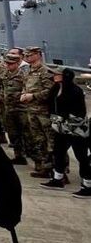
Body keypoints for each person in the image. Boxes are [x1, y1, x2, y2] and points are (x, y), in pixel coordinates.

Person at [40, 67, 91, 198]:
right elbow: (51, 104)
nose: (54, 76)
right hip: (61, 128)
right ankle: (58, 179)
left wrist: (63, 120)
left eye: (57, 74)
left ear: (65, 76)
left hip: (76, 129)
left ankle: (87, 184)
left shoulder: (75, 91)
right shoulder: (56, 88)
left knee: (81, 156)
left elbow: (79, 112)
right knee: (59, 152)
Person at [20, 46, 55, 178]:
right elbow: (25, 85)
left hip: (43, 112)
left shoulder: (45, 71)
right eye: (26, 55)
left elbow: (50, 91)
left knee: (51, 142)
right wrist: (23, 94)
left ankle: (60, 171)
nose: (27, 57)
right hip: (31, 110)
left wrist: (33, 96)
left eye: (30, 55)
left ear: (38, 55)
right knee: (39, 140)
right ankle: (45, 168)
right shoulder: (28, 70)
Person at [1, 54, 28, 164]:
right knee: (13, 134)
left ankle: (38, 161)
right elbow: (3, 87)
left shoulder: (24, 75)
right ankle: (19, 156)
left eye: (10, 64)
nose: (8, 65)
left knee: (26, 134)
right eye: (7, 63)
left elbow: (27, 89)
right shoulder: (5, 74)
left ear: (17, 63)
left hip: (21, 109)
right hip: (9, 108)